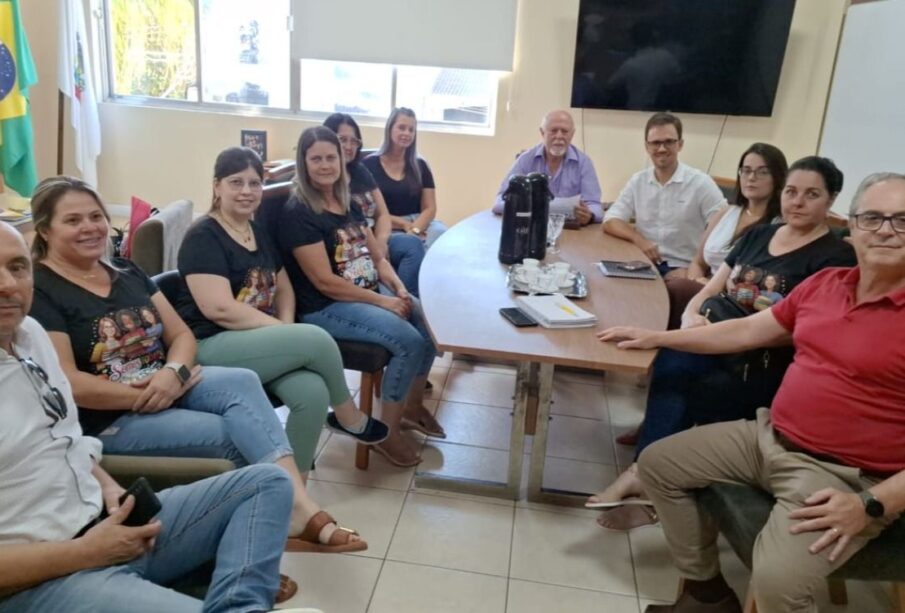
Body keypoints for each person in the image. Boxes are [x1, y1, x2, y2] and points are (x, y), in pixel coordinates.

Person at [597, 172, 905, 613]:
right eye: (873, 218)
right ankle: (707, 596)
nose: (886, 230)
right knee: (658, 464)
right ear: (852, 228)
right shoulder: (826, 284)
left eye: (902, 220)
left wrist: (872, 504)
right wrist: (657, 337)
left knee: (777, 582)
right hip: (768, 437)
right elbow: (744, 331)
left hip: (842, 474)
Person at [27, 176, 368, 554]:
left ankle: (293, 510)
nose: (90, 227)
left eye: (96, 216)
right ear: (45, 230)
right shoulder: (40, 291)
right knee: (233, 435)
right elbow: (69, 383)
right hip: (110, 418)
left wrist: (173, 373)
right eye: (73, 220)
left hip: (168, 386)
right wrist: (146, 393)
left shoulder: (125, 271)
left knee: (242, 381)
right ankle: (246, 540)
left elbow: (181, 335)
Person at [0, 220, 296, 613]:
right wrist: (87, 552)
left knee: (269, 482)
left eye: (17, 267)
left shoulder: (30, 335)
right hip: (41, 578)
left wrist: (108, 489)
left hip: (102, 522)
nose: (7, 284)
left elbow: (65, 439)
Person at [587, 157, 856, 531]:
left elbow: (782, 331)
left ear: (831, 200)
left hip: (759, 360)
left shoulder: (836, 257)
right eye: (792, 192)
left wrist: (666, 336)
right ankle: (646, 474)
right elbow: (712, 287)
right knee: (674, 362)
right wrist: (690, 316)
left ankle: (649, 479)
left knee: (684, 371)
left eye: (811, 194)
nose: (797, 202)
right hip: (712, 336)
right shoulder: (758, 236)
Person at [175, 147, 390, 470]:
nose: (247, 191)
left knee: (313, 394)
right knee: (315, 338)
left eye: (254, 183)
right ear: (217, 186)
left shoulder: (256, 231)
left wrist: (286, 327)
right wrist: (284, 332)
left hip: (256, 339)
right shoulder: (203, 236)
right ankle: (349, 417)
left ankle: (294, 491)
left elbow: (284, 286)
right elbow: (219, 309)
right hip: (211, 344)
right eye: (236, 182)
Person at [268, 126, 441, 468]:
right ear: (303, 162)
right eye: (316, 159)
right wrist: (384, 302)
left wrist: (398, 288)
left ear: (341, 160)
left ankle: (409, 407)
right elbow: (325, 282)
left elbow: (377, 256)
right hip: (326, 306)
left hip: (364, 292)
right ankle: (387, 434)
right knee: (409, 340)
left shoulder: (345, 200)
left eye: (330, 157)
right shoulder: (298, 211)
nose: (325, 165)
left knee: (429, 325)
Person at [663, 143, 788, 329]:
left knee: (676, 289)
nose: (751, 178)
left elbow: (759, 281)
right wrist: (697, 281)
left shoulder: (778, 226)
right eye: (746, 171)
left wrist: (708, 286)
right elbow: (698, 262)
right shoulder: (725, 212)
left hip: (736, 299)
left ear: (777, 178)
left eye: (762, 172)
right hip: (703, 288)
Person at [603, 112, 726, 278]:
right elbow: (611, 220)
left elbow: (724, 230)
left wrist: (697, 268)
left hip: (683, 268)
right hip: (644, 265)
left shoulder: (700, 183)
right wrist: (639, 240)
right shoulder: (638, 181)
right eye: (655, 143)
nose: (661, 148)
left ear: (680, 144)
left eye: (669, 142)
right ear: (647, 147)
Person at [323, 113, 426, 296]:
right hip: (352, 247)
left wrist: (381, 243)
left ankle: (410, 296)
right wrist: (374, 253)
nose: (348, 146)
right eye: (342, 140)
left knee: (413, 244)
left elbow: (382, 214)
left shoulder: (360, 170)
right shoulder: (326, 180)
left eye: (353, 141)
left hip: (376, 237)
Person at [492, 109, 603, 225]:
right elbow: (500, 201)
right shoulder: (526, 159)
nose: (559, 136)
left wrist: (590, 216)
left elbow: (595, 206)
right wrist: (526, 205)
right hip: (531, 226)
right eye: (553, 131)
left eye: (565, 131)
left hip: (570, 230)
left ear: (572, 134)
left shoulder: (583, 163)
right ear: (542, 132)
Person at [362, 108, 447, 248]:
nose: (406, 133)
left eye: (411, 130)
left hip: (419, 223)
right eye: (401, 128)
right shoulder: (368, 165)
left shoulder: (421, 165)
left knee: (442, 234)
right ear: (390, 129)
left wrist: (414, 230)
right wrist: (403, 225)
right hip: (388, 225)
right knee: (411, 246)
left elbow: (430, 208)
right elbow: (369, 212)